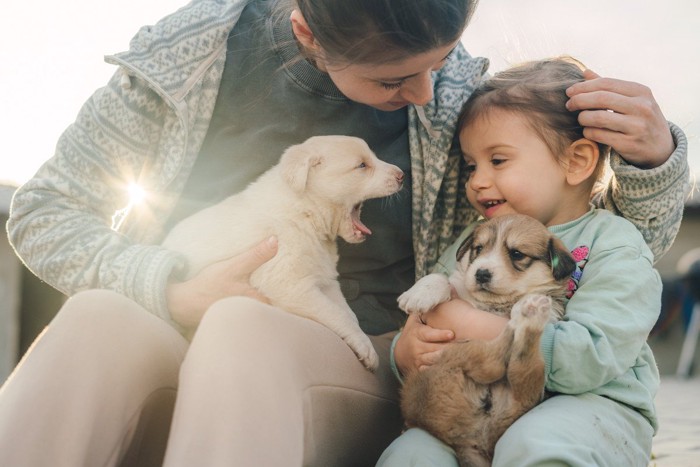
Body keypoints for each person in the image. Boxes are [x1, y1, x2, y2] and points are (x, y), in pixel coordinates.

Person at [0, 0, 689, 464]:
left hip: (357, 357)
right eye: (396, 79)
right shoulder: (184, 61)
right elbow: (43, 210)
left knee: (240, 325)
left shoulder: (458, 99)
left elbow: (584, 246)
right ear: (307, 33)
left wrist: (653, 163)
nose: (428, 91)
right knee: (95, 315)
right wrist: (172, 290)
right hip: (179, 332)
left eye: (441, 61)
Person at [378, 57, 684, 466]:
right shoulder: (477, 238)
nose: (477, 180)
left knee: (536, 443)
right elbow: (426, 313)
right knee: (410, 454)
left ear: (576, 161)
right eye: (471, 166)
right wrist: (406, 351)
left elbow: (597, 354)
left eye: (498, 160)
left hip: (591, 408)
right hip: (474, 409)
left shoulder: (613, 242)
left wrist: (478, 327)